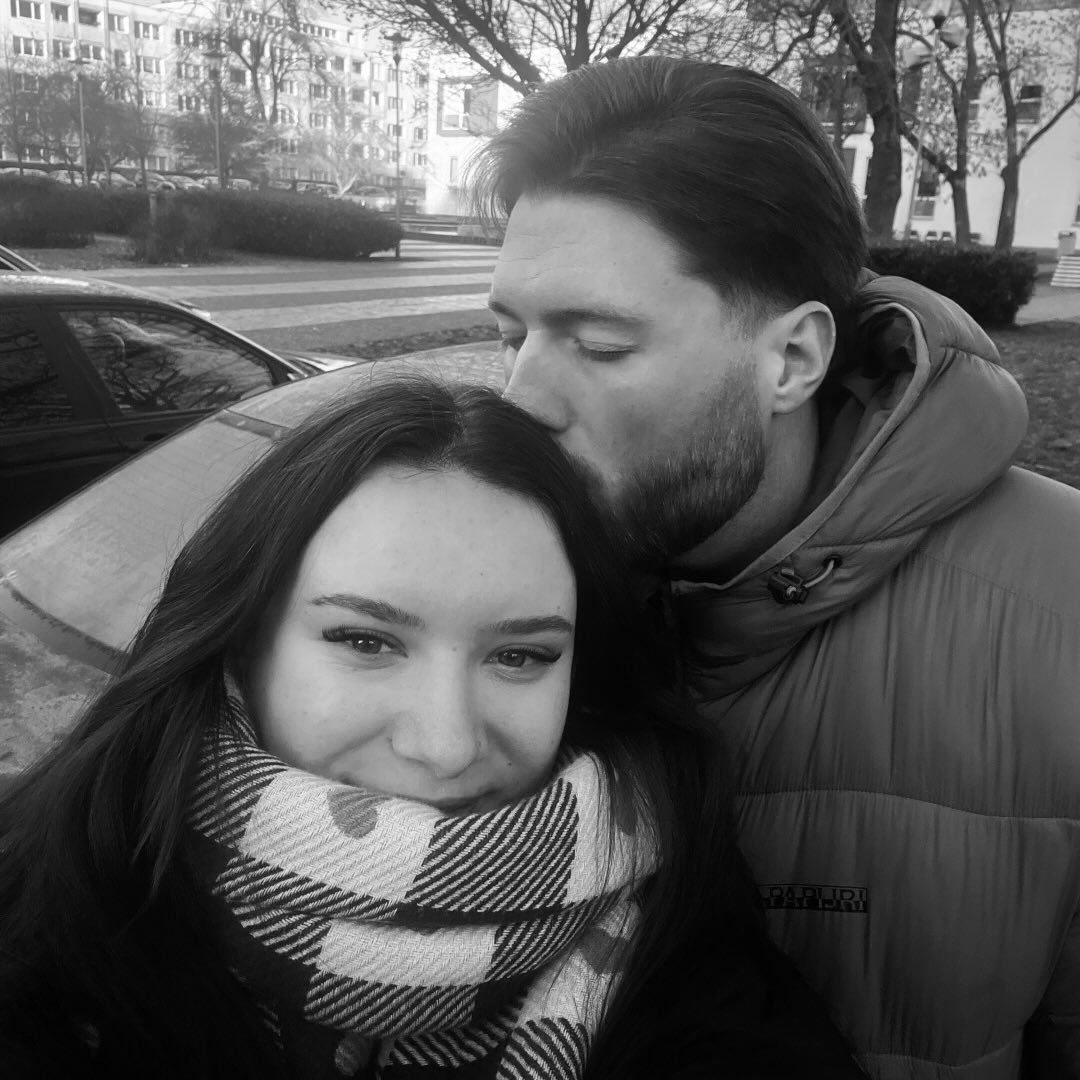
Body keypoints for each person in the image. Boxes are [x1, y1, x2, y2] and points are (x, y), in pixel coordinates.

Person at [472, 56, 1080, 1080]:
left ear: (793, 359)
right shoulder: (485, 585)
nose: (520, 400)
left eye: (599, 343)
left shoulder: (1063, 613)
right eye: (513, 336)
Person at [0, 375, 866, 1079]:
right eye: (365, 641)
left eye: (520, 656)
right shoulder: (44, 911)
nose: (446, 746)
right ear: (237, 650)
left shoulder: (684, 946)